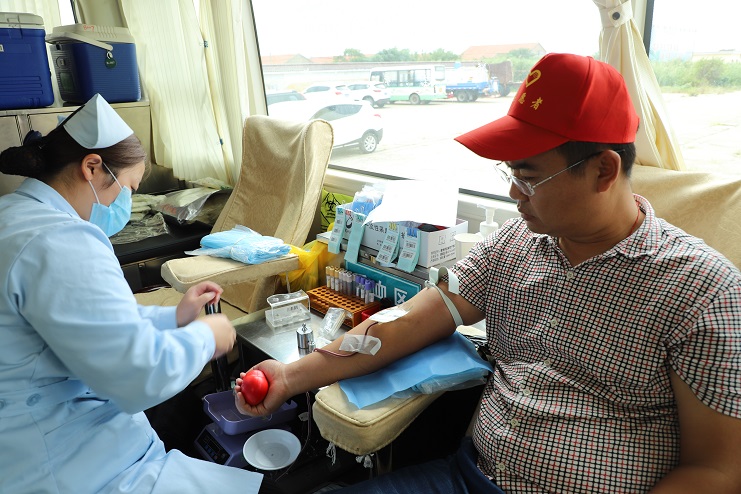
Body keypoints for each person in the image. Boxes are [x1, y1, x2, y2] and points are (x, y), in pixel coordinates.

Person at [235, 53, 741, 493]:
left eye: (528, 177)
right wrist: (290, 375)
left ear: (603, 171)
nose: (514, 194)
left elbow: (717, 471)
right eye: (510, 173)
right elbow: (406, 322)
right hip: (468, 475)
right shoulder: (517, 242)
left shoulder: (702, 291)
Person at [0, 94, 263, 493]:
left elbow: (89, 322)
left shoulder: (14, 214)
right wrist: (206, 336)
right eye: (127, 188)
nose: (126, 203)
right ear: (91, 167)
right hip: (68, 462)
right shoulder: (62, 240)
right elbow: (137, 374)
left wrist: (174, 317)